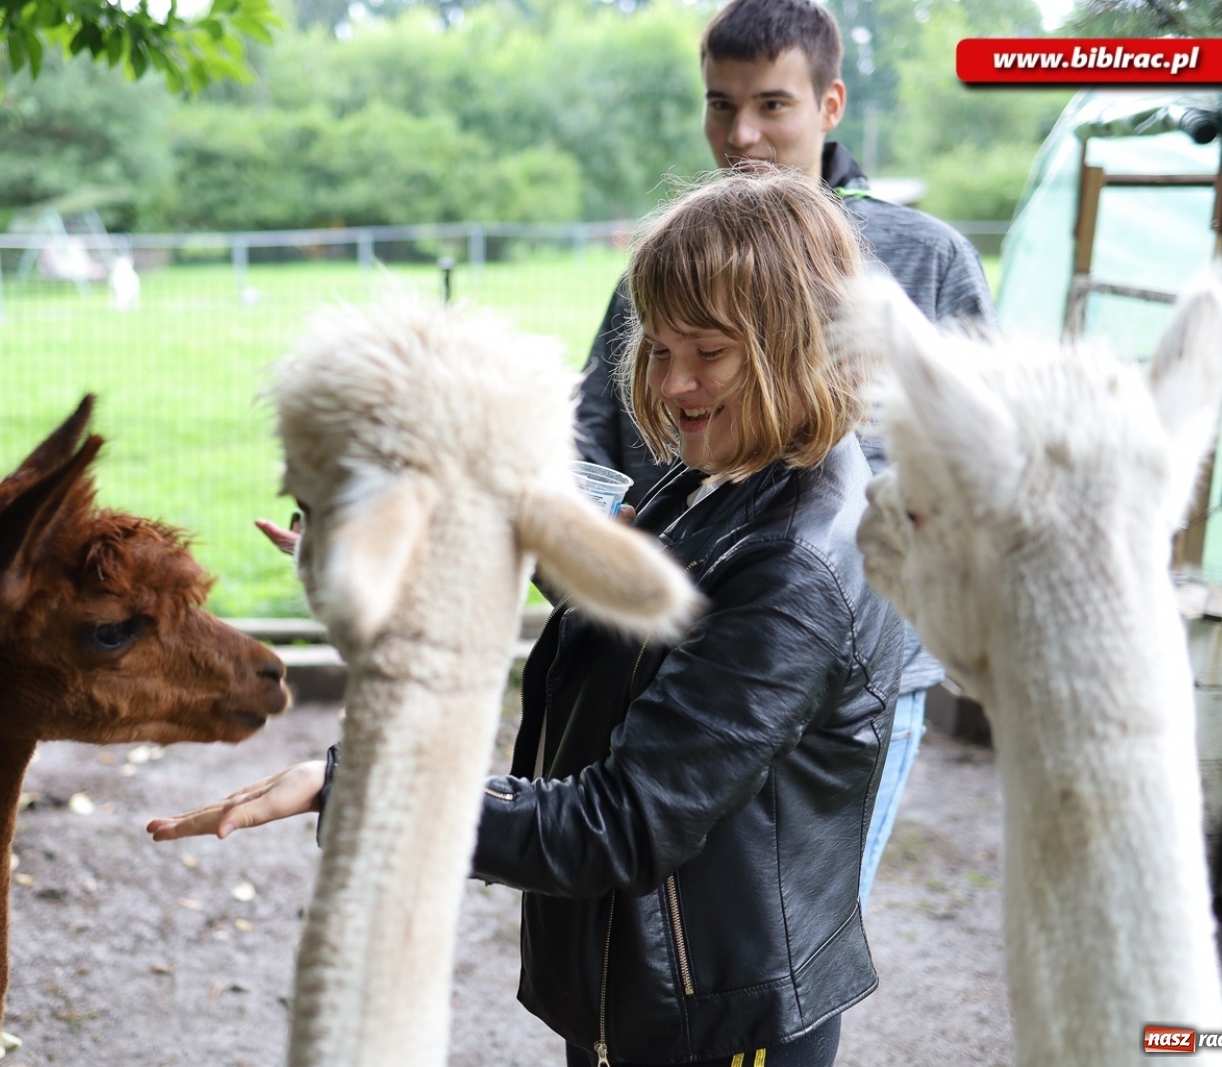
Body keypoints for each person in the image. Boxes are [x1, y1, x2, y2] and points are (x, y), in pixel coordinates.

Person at [149, 168, 905, 1067]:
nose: (672, 384)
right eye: (659, 350)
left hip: (715, 1023)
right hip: (649, 992)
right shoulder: (728, 476)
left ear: (794, 339)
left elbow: (621, 823)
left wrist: (367, 788)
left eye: (708, 351)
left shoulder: (795, 567)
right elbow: (629, 622)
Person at [577, 0, 996, 906]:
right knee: (671, 901)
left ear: (831, 104)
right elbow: (595, 440)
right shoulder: (672, 259)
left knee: (782, 918)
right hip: (690, 634)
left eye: (771, 105)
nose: (742, 133)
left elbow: (981, 467)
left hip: (854, 652)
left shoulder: (922, 260)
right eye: (720, 106)